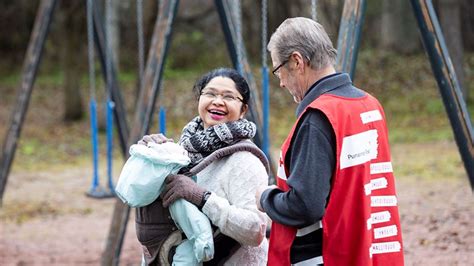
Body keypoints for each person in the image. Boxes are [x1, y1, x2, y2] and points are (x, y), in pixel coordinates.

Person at [255, 17, 404, 266]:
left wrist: (265, 198)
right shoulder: (369, 105)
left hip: (327, 255)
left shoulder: (318, 118)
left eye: (278, 70)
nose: (280, 82)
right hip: (372, 253)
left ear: (297, 61)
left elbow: (305, 206)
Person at [136, 68, 269, 265]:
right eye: (210, 93)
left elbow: (255, 230)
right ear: (199, 99)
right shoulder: (183, 151)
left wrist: (202, 198)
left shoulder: (244, 159)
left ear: (243, 110)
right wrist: (150, 159)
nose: (217, 101)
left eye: (229, 96)